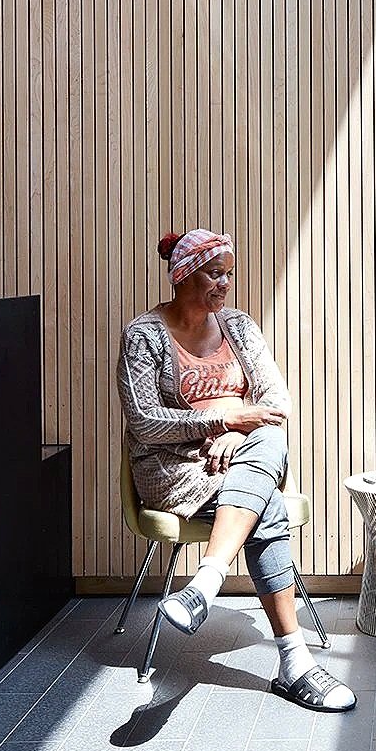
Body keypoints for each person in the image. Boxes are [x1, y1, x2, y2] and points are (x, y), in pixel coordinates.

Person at [116, 228, 355, 712]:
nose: (224, 283)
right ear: (182, 276)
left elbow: (276, 401)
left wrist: (239, 432)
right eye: (213, 274)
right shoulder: (143, 335)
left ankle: (204, 584)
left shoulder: (239, 327)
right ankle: (296, 663)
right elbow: (143, 422)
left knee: (268, 438)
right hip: (175, 469)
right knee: (265, 502)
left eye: (228, 274)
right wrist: (223, 421)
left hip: (242, 457)